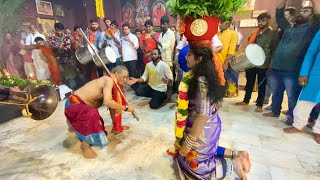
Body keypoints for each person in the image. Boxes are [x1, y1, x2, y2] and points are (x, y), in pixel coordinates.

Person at [169, 46, 251, 179]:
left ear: (199, 58)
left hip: (203, 128)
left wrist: (187, 145)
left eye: (189, 55)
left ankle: (232, 165)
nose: (185, 57)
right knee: (189, 154)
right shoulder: (202, 73)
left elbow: (202, 116)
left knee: (193, 166)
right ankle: (238, 153)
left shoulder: (201, 80)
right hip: (203, 125)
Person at [263, 0, 320, 124]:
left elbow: (318, 15)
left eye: (306, 11)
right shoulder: (288, 27)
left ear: (311, 16)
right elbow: (279, 12)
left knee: (292, 96)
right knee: (276, 92)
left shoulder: (311, 29)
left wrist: (313, 2)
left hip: (292, 70)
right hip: (277, 66)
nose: (301, 12)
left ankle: (292, 117)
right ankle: (275, 110)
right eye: (301, 10)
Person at [65, 66, 135, 159]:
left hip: (80, 108)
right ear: (116, 74)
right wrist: (125, 108)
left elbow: (112, 106)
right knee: (93, 113)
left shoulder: (114, 84)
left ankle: (72, 124)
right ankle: (85, 145)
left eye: (127, 77)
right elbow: (107, 101)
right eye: (123, 77)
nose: (125, 80)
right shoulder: (108, 80)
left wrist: (117, 126)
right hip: (73, 105)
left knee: (108, 105)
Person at [235, 13, 278, 112]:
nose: (260, 23)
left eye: (263, 20)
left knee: (261, 85)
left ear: (268, 21)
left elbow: (274, 50)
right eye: (259, 21)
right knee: (249, 82)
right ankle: (246, 100)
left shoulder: (273, 34)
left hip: (264, 63)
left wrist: (271, 65)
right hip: (251, 62)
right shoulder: (254, 33)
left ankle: (259, 105)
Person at [283, 29, 320, 144]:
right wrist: (304, 72)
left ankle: (318, 131)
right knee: (306, 100)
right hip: (317, 74)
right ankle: (298, 125)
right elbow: (311, 52)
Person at [216, 17, 239, 98]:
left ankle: (222, 95)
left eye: (221, 23)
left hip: (224, 62)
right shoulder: (217, 34)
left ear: (228, 24)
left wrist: (226, 62)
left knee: (224, 79)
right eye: (219, 22)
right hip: (215, 61)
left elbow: (231, 50)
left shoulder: (233, 34)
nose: (219, 25)